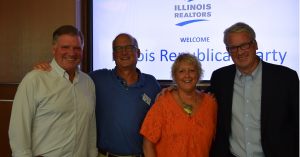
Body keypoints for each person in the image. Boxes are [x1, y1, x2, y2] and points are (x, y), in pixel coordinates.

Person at [208, 22, 299, 157]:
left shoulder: (286, 78)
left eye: (244, 45)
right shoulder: (220, 78)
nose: (239, 52)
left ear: (255, 45)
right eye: (233, 48)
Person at [8, 25, 98, 157]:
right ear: (54, 49)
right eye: (65, 47)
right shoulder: (34, 80)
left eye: (77, 48)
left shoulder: (88, 82)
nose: (72, 53)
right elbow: (19, 130)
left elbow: (90, 127)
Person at [89, 33, 161, 157]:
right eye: (118, 49)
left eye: (129, 47)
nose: (124, 53)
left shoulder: (151, 83)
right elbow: (72, 79)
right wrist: (48, 69)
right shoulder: (97, 79)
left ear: (138, 52)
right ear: (113, 55)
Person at [140, 53, 217, 157]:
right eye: (181, 71)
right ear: (174, 76)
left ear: (199, 74)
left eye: (192, 70)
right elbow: (147, 143)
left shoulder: (211, 104)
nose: (187, 75)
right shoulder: (163, 102)